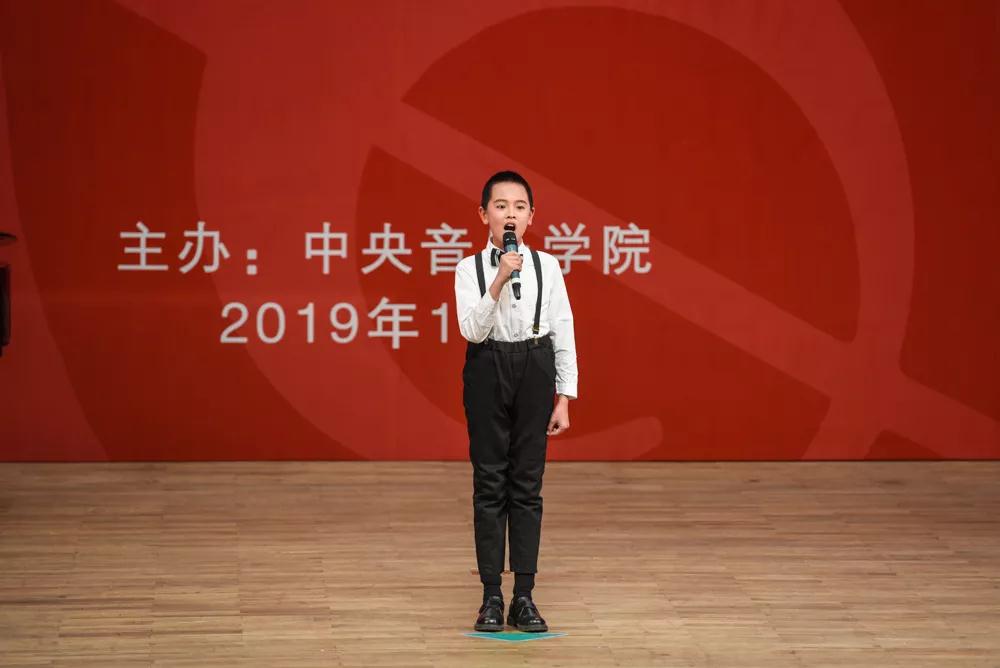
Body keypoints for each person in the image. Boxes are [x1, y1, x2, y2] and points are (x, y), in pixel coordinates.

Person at [454, 170, 578, 632]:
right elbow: (472, 330)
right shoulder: (469, 268)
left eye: (519, 207)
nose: (511, 214)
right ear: (483, 214)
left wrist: (564, 396)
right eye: (501, 206)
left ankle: (524, 596)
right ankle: (491, 595)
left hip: (534, 366)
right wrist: (500, 278)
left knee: (527, 485)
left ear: (531, 217)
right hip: (488, 367)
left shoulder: (548, 266)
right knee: (490, 484)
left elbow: (563, 329)